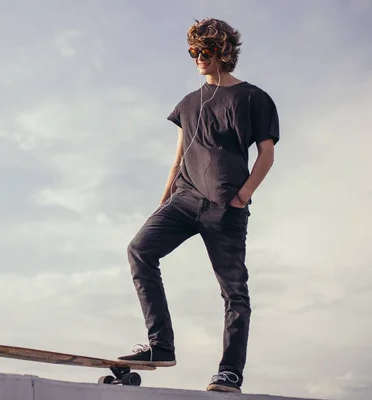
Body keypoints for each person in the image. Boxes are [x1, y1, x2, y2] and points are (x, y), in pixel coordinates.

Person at [117, 18, 280, 393]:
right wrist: (162, 204)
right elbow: (178, 158)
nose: (197, 58)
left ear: (223, 52)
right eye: (192, 52)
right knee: (139, 251)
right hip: (184, 199)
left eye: (204, 51)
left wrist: (242, 196)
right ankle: (161, 346)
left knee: (233, 291)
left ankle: (229, 373)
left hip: (226, 207)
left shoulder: (253, 98)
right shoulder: (189, 103)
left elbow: (266, 154)